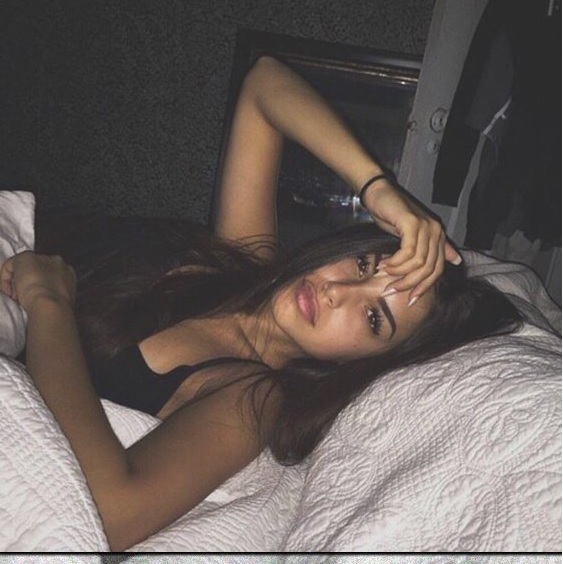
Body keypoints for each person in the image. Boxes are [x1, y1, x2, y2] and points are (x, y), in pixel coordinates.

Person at [0, 56, 522, 551]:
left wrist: (49, 302)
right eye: (365, 265)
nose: (337, 292)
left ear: (367, 362)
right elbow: (264, 82)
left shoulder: (252, 395)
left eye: (372, 317)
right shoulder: (243, 264)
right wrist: (378, 188)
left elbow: (114, 513)